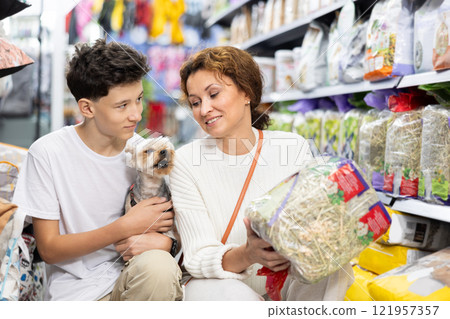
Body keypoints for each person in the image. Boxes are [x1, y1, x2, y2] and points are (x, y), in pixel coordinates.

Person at [169, 46, 354, 301]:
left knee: (333, 268)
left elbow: (313, 221)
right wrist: (249, 254)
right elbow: (198, 257)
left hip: (285, 282)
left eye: (214, 94)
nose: (204, 109)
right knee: (236, 296)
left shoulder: (292, 147)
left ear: (246, 92)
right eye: (195, 102)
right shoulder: (186, 162)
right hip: (220, 289)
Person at [12, 39, 182, 301]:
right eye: (122, 105)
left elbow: (174, 229)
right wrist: (124, 226)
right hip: (77, 292)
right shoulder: (47, 153)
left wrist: (169, 245)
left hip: (138, 278)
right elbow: (49, 249)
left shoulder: (147, 154)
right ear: (87, 108)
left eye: (139, 100)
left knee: (159, 268)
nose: (136, 115)